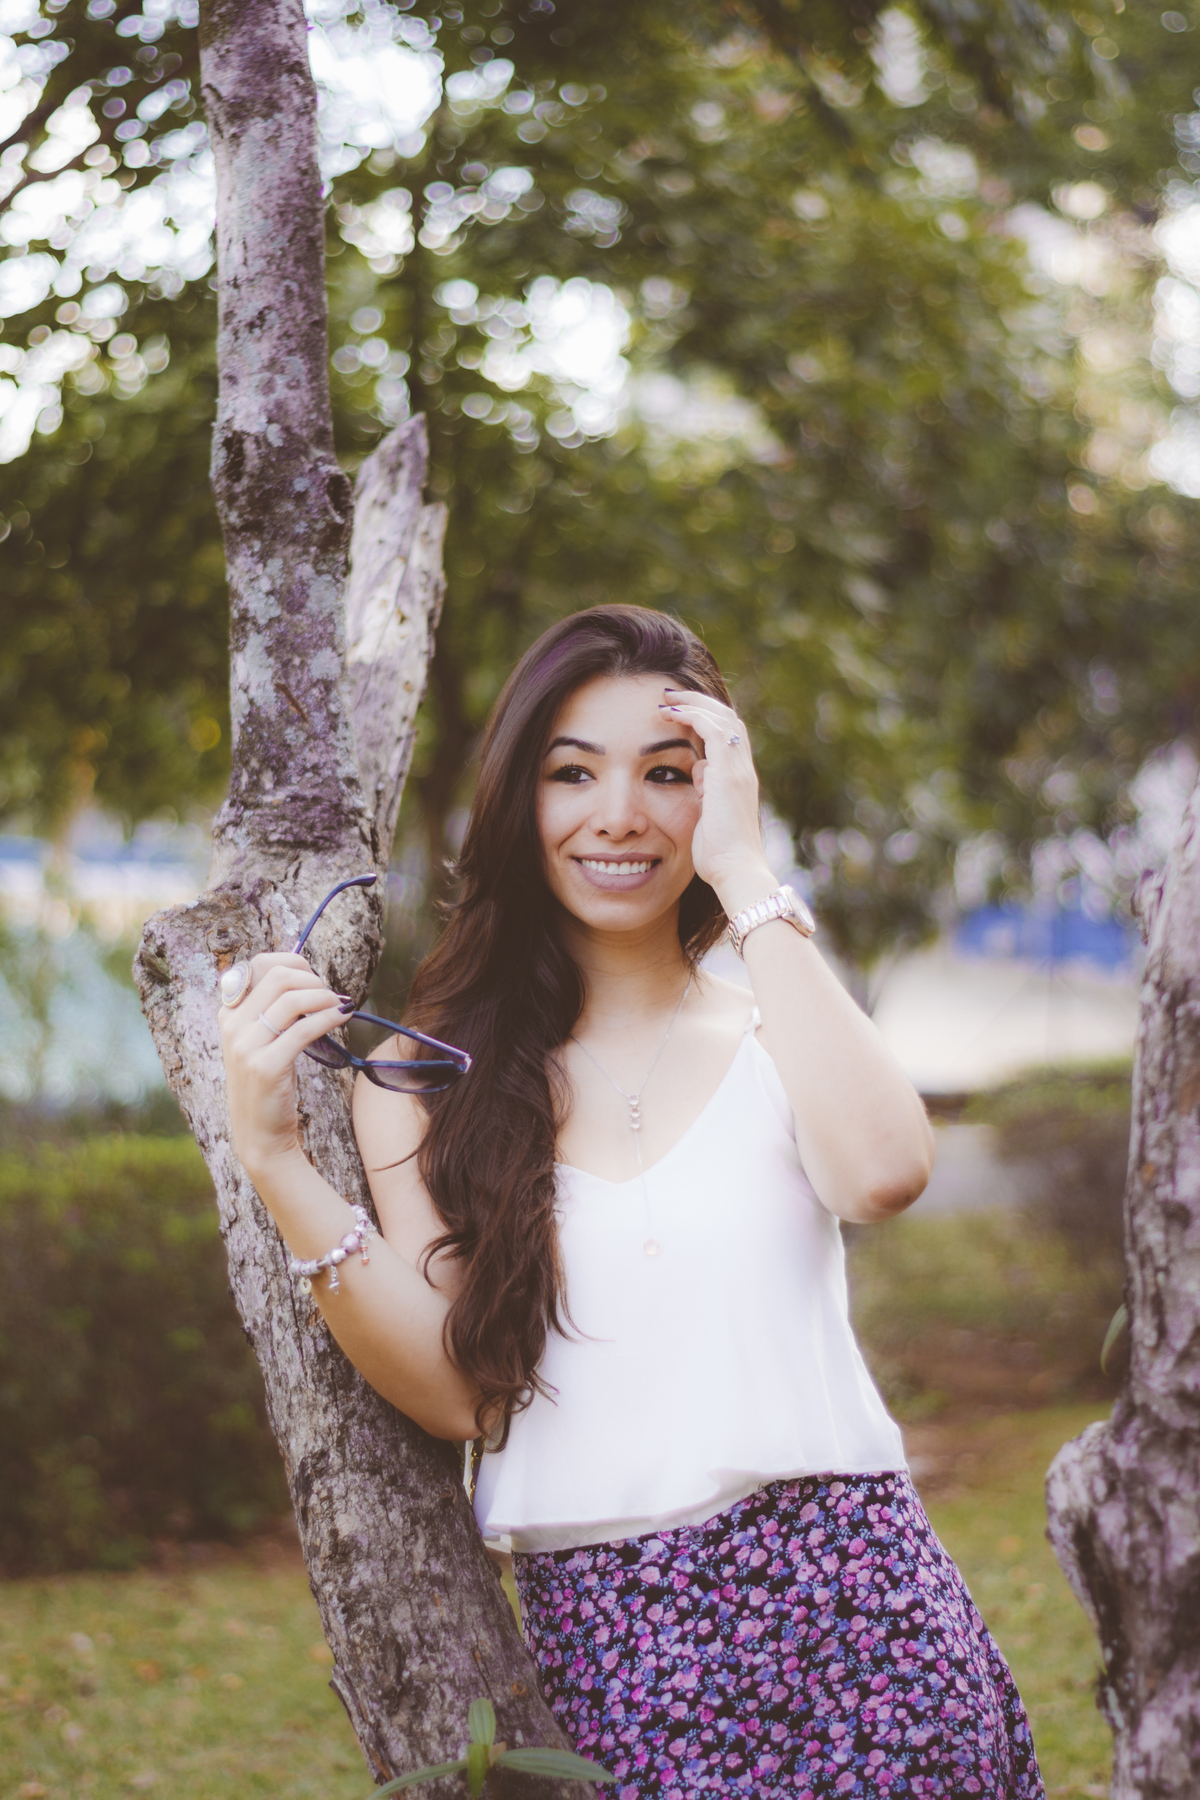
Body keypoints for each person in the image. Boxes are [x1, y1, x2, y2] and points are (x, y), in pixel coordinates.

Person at [219, 604, 1045, 1798]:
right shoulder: (429, 1079)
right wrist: (279, 1163)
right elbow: (457, 1389)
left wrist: (750, 874)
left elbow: (883, 1171)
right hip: (618, 1646)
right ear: (519, 800)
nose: (620, 814)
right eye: (573, 773)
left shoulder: (774, 1008)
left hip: (867, 1617)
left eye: (669, 774)